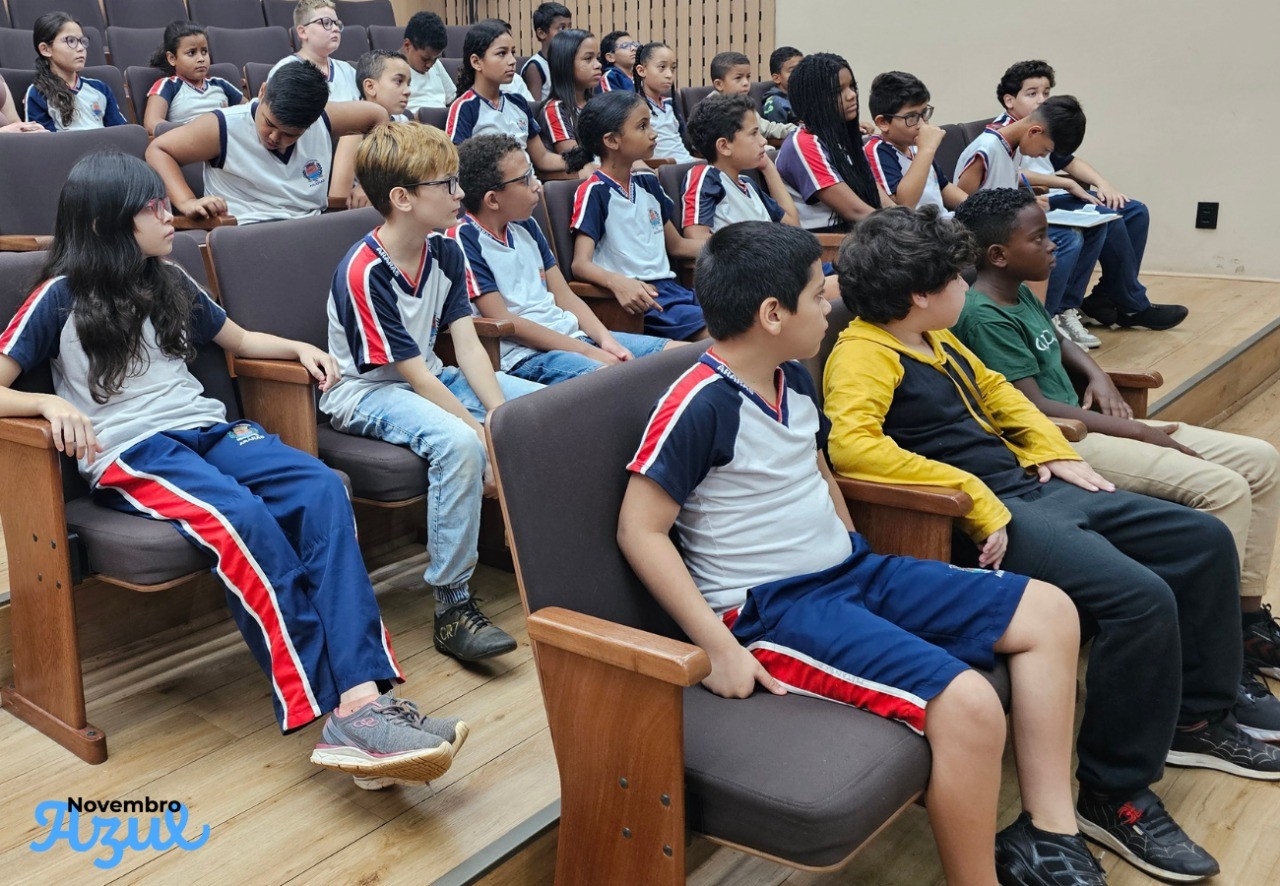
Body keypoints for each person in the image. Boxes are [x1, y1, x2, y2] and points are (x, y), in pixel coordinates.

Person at [618, 220, 1104, 886]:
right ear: (771, 314)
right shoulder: (700, 403)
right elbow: (639, 530)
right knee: (968, 704)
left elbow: (818, 473)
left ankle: (1048, 833)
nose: (830, 306)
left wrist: (860, 554)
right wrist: (719, 649)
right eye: (818, 296)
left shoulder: (793, 380)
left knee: (1050, 611)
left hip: (851, 571)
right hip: (772, 610)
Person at [825, 204, 1280, 883]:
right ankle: (1111, 792)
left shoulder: (934, 337)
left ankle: (1196, 719)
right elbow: (850, 446)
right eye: (956, 276)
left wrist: (1052, 450)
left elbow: (1006, 401)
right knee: (1139, 597)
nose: (965, 285)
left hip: (1033, 488)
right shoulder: (863, 352)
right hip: (986, 517)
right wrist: (977, 498)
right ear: (920, 293)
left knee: (1202, 539)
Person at [0, 151, 468, 787]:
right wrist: (45, 400)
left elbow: (241, 343)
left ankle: (362, 698)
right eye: (154, 207)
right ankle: (342, 712)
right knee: (241, 519)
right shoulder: (59, 297)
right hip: (135, 452)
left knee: (322, 487)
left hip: (208, 429)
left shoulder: (169, 276)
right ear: (110, 222)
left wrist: (299, 346)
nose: (174, 212)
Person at [952, 187, 1280, 742]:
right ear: (998, 255)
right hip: (1066, 440)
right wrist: (1139, 430)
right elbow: (1031, 407)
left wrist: (1100, 376)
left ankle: (1245, 624)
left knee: (1263, 459)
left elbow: (1055, 335)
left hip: (1093, 421)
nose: (1054, 245)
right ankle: (1215, 659)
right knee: (1221, 489)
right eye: (1038, 237)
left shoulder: (1018, 291)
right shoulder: (982, 313)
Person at [320, 122, 543, 663]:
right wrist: (479, 431)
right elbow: (412, 374)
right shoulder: (364, 270)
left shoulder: (445, 249)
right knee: (460, 445)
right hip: (366, 391)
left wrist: (499, 416)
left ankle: (538, 560)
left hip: (431, 374)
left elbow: (465, 346)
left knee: (534, 413)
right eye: (446, 184)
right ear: (401, 199)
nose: (459, 194)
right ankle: (452, 606)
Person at [452, 134, 678, 385]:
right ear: (493, 199)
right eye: (525, 180)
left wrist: (605, 340)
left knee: (681, 356)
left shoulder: (526, 226)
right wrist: (588, 352)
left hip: (575, 337)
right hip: (526, 355)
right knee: (622, 382)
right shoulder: (465, 238)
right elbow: (505, 319)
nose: (536, 185)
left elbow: (565, 296)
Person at [993, 60, 1184, 334]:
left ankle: (1106, 297)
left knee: (1134, 210)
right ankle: (1130, 303)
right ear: (1009, 100)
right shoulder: (1005, 132)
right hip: (1042, 200)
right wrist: (1063, 183)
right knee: (1107, 218)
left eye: (1046, 93)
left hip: (1064, 195)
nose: (1042, 100)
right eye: (1032, 93)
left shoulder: (1046, 128)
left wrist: (1104, 184)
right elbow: (1009, 173)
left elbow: (1072, 163)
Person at [146, 62, 387, 225]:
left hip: (312, 225)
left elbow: (378, 116)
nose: (274, 137)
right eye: (269, 123)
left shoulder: (323, 118)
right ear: (262, 93)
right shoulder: (223, 126)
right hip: (248, 229)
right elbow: (159, 149)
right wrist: (187, 202)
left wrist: (369, 182)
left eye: (289, 134)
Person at [566, 92, 706, 341]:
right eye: (642, 126)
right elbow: (580, 264)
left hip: (676, 293)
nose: (653, 133)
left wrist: (734, 245)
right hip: (643, 300)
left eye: (650, 123)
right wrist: (617, 282)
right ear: (611, 140)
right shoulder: (594, 191)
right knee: (730, 337)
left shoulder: (648, 182)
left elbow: (677, 246)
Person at [775, 53, 888, 232]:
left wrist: (911, 222)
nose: (852, 95)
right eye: (839, 90)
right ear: (814, 99)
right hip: (827, 244)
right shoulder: (803, 143)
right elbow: (854, 211)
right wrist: (904, 229)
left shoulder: (843, 139)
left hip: (858, 236)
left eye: (852, 86)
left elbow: (881, 200)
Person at [445, 19, 569, 176]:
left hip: (529, 186)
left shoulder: (518, 102)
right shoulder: (465, 107)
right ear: (476, 62)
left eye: (513, 52)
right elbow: (456, 164)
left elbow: (542, 158)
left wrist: (583, 162)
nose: (512, 61)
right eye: (502, 53)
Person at [681, 93, 798, 237]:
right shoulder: (706, 177)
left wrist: (768, 167)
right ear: (724, 146)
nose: (764, 141)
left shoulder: (749, 185)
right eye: (754, 133)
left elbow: (793, 227)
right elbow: (696, 239)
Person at [864, 71, 966, 217]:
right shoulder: (877, 151)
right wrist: (926, 150)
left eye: (924, 112)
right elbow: (904, 206)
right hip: (916, 234)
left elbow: (944, 187)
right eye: (911, 117)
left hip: (943, 224)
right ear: (883, 122)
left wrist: (974, 207)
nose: (922, 124)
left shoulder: (916, 145)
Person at [330, 49, 413, 209]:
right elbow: (338, 198)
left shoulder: (404, 122)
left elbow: (413, 173)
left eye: (408, 84)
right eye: (398, 81)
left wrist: (373, 187)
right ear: (370, 86)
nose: (407, 91)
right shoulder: (353, 126)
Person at [25, 12, 127, 132]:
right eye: (71, 41)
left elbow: (121, 132)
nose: (81, 48)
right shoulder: (38, 93)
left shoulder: (100, 89)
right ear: (46, 49)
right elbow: (45, 144)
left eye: (82, 41)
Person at [144, 21, 243, 134]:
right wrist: (192, 130)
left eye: (204, 52)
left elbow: (250, 111)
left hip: (227, 141)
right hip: (188, 143)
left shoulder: (220, 84)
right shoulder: (167, 86)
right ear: (172, 58)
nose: (201, 58)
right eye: (191, 53)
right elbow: (151, 123)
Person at [267, 0, 360, 102]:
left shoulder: (347, 70)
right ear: (303, 32)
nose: (335, 29)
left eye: (336, 23)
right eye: (326, 23)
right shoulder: (285, 68)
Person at [709, 50, 794, 146]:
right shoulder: (712, 110)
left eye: (748, 77)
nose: (746, 82)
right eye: (738, 78)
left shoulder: (744, 103)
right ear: (719, 84)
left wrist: (795, 129)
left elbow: (767, 129)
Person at [537, 28, 600, 154]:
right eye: (588, 59)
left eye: (598, 58)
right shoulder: (555, 109)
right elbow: (576, 159)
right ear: (565, 64)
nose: (598, 64)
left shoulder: (597, 103)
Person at [633, 41, 694, 164]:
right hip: (667, 169)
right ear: (641, 71)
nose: (669, 75)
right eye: (662, 67)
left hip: (686, 162)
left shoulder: (669, 104)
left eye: (673, 68)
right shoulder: (634, 107)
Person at [400, 11, 454, 115]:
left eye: (436, 58)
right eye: (425, 59)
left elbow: (452, 101)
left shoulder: (437, 65)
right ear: (407, 45)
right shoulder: (392, 68)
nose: (430, 65)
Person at [520, 1, 572, 102]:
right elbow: (535, 109)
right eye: (562, 28)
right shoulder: (535, 67)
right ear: (541, 33)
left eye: (569, 27)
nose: (568, 32)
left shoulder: (568, 61)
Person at [760, 46, 801, 126]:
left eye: (802, 69)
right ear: (777, 78)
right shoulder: (775, 103)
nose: (799, 74)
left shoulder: (804, 97)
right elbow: (776, 137)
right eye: (793, 71)